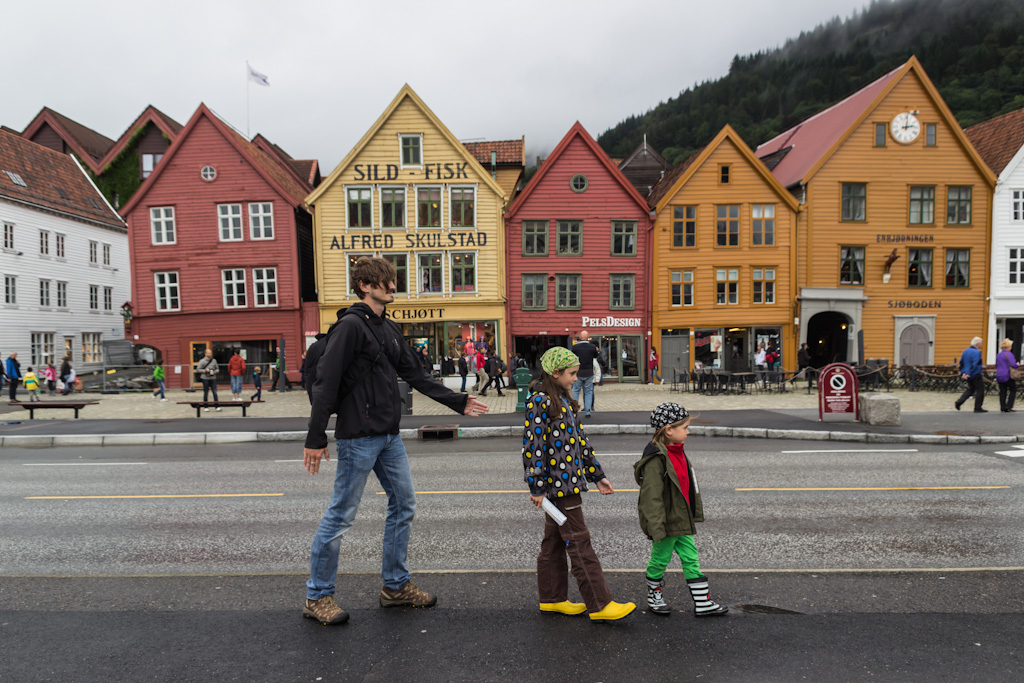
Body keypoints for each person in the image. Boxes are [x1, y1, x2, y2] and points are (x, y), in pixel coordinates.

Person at [302, 256, 488, 626]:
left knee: (404, 505)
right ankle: (317, 596)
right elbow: (325, 382)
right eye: (384, 282)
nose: (392, 287)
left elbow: (415, 375)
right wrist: (315, 435)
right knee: (341, 515)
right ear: (366, 287)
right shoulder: (350, 327)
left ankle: (395, 586)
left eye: (392, 281)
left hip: (388, 436)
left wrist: (458, 401)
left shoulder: (387, 328)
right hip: (358, 437)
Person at [523, 346, 635, 623]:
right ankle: (600, 604)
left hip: (568, 484)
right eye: (572, 373)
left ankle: (552, 599)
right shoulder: (540, 401)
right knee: (580, 543)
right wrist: (536, 487)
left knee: (552, 544)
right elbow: (533, 447)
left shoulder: (563, 400)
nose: (576, 378)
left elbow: (581, 444)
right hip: (558, 487)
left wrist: (596, 474)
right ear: (556, 372)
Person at [635, 403, 729, 618]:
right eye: (684, 427)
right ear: (669, 430)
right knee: (660, 559)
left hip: (681, 518)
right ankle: (654, 596)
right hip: (667, 522)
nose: (688, 431)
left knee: (691, 557)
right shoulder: (656, 459)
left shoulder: (677, 451)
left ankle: (703, 603)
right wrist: (656, 527)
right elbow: (651, 497)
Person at [570, 331, 600, 418]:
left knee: (576, 391)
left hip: (578, 372)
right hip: (589, 372)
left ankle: (575, 410)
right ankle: (587, 412)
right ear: (588, 337)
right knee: (588, 392)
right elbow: (595, 356)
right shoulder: (592, 347)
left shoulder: (575, 347)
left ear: (580, 337)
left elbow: (572, 358)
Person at [955, 336, 986, 413]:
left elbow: (961, 363)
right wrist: (969, 373)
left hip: (966, 373)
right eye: (981, 343)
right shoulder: (977, 352)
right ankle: (977, 407)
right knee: (980, 390)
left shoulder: (965, 351)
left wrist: (963, 373)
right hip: (975, 373)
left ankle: (959, 402)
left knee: (971, 389)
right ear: (978, 344)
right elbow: (975, 364)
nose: (982, 345)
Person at [995, 338, 1019, 413]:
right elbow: (1013, 364)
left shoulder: (998, 355)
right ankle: (1009, 406)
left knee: (1002, 391)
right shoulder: (1009, 354)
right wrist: (1017, 365)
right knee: (1013, 390)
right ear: (1008, 346)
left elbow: (996, 365)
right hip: (1008, 374)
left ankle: (1003, 407)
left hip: (999, 375)